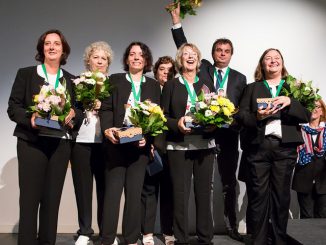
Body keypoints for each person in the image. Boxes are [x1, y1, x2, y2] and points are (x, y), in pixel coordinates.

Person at [167, 2, 247, 241]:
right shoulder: (204, 71)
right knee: (202, 188)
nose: (222, 54)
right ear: (211, 55)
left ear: (231, 54)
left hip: (227, 136)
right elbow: (185, 50)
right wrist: (176, 23)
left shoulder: (240, 79)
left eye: (226, 51)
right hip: (201, 135)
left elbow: (243, 110)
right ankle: (196, 233)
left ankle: (231, 227)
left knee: (228, 184)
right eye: (218, 50)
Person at [7, 29, 82, 245]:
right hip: (32, 142)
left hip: (60, 145)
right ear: (42, 49)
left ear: (63, 49)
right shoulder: (26, 74)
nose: (51, 47)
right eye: (47, 43)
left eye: (56, 43)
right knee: (30, 200)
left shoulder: (71, 80)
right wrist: (30, 119)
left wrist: (73, 115)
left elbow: (78, 111)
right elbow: (14, 107)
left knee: (52, 200)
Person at [238, 48, 311, 245]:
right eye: (268, 58)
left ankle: (280, 240)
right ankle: (259, 240)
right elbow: (241, 115)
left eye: (276, 58)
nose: (272, 61)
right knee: (258, 198)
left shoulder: (294, 87)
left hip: (284, 149)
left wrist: (290, 101)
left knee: (281, 198)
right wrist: (256, 117)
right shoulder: (252, 88)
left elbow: (307, 114)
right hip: (259, 148)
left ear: (282, 63)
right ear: (262, 64)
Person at [99, 41, 161, 245]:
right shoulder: (115, 80)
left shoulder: (152, 85)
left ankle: (131, 239)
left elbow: (157, 118)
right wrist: (108, 129)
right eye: (132, 54)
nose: (136, 57)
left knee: (134, 197)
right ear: (126, 59)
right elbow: (106, 108)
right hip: (115, 145)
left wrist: (148, 138)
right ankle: (107, 239)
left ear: (146, 60)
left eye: (141, 54)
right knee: (112, 195)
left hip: (139, 149)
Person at [161, 43, 216, 245]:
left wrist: (213, 126)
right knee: (180, 195)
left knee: (203, 194)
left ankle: (205, 238)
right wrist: (177, 123)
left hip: (205, 146)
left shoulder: (206, 83)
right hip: (178, 147)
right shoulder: (171, 85)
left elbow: (217, 112)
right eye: (185, 54)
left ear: (199, 60)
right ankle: (181, 238)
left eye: (193, 54)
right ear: (180, 60)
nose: (190, 57)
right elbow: (162, 117)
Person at [71, 41, 116, 245]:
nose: (99, 61)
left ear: (108, 63)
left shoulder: (115, 84)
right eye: (95, 57)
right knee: (82, 188)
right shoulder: (77, 82)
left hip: (107, 143)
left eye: (104, 58)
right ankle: (85, 231)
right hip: (81, 141)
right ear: (88, 60)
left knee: (106, 190)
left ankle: (107, 233)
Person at [141, 56, 176, 245]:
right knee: (149, 190)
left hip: (172, 148)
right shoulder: (149, 90)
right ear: (155, 72)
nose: (166, 72)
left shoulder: (178, 91)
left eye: (170, 70)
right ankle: (147, 232)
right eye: (162, 69)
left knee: (169, 191)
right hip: (152, 148)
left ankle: (168, 231)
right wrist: (150, 143)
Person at [292, 99, 326, 218]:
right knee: (307, 218)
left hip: (323, 181)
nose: (314, 109)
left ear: (322, 111)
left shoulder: (325, 131)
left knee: (323, 217)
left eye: (317, 106)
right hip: (303, 179)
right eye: (311, 106)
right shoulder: (298, 130)